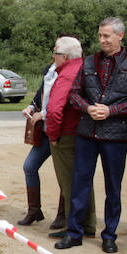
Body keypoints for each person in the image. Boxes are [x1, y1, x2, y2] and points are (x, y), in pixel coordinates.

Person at [55, 17, 127, 253]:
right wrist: (87, 108)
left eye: (106, 36)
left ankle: (109, 235)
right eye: (100, 35)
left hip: (115, 136)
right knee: (80, 183)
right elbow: (73, 94)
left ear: (120, 36)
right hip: (87, 132)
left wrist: (111, 111)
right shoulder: (88, 62)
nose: (102, 40)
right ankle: (74, 233)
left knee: (113, 187)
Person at [44, 36, 97, 240]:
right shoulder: (84, 68)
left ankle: (73, 225)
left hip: (66, 134)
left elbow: (55, 109)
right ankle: (88, 223)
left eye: (55, 54)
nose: (53, 57)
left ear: (64, 56)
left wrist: (53, 134)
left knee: (69, 182)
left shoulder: (67, 74)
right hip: (83, 131)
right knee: (83, 180)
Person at [17, 59, 56, 226]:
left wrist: (45, 114)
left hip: (63, 132)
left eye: (58, 51)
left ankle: (63, 215)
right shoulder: (50, 69)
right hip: (45, 132)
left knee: (64, 176)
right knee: (29, 166)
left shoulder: (76, 70)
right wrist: (32, 108)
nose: (54, 54)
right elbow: (41, 93)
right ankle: (34, 210)